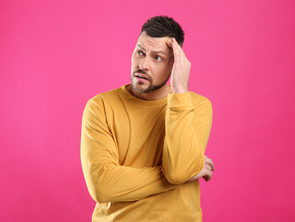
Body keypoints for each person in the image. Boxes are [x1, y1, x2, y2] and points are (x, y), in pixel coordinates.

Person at [81, 16, 214, 221]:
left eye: (157, 58)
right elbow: (101, 185)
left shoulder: (197, 106)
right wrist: (185, 170)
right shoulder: (100, 106)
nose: (143, 64)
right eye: (140, 52)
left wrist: (180, 92)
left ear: (174, 65)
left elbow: (178, 171)